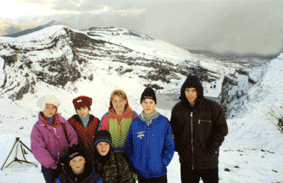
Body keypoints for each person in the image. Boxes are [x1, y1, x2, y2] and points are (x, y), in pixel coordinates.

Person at [170, 75, 228, 183]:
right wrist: (178, 148)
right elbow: (173, 131)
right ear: (183, 91)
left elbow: (222, 129)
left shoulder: (212, 107)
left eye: (193, 90)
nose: (190, 94)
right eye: (187, 90)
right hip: (187, 163)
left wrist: (212, 148)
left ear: (199, 91)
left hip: (209, 162)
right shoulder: (178, 109)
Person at [125, 87, 175, 183]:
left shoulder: (163, 122)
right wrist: (135, 162)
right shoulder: (135, 123)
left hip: (159, 173)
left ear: (155, 103)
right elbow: (129, 146)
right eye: (145, 102)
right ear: (141, 103)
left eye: (151, 102)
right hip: (141, 173)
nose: (148, 105)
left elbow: (170, 146)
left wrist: (162, 163)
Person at [30, 95, 78, 183]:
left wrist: (72, 152)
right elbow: (38, 149)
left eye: (53, 108)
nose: (50, 110)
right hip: (49, 167)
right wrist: (53, 165)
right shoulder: (37, 128)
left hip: (66, 161)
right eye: (47, 107)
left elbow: (72, 136)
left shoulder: (62, 122)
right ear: (41, 108)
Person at [99, 89, 137, 153]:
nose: (118, 104)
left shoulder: (133, 116)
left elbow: (138, 136)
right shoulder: (106, 118)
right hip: (111, 153)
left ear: (126, 101)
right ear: (111, 103)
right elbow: (101, 138)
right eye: (115, 101)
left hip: (130, 152)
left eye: (121, 101)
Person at [68, 96, 100, 160]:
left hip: (95, 154)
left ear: (89, 108)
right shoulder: (71, 122)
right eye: (79, 109)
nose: (82, 111)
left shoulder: (96, 121)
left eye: (84, 108)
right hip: (79, 156)